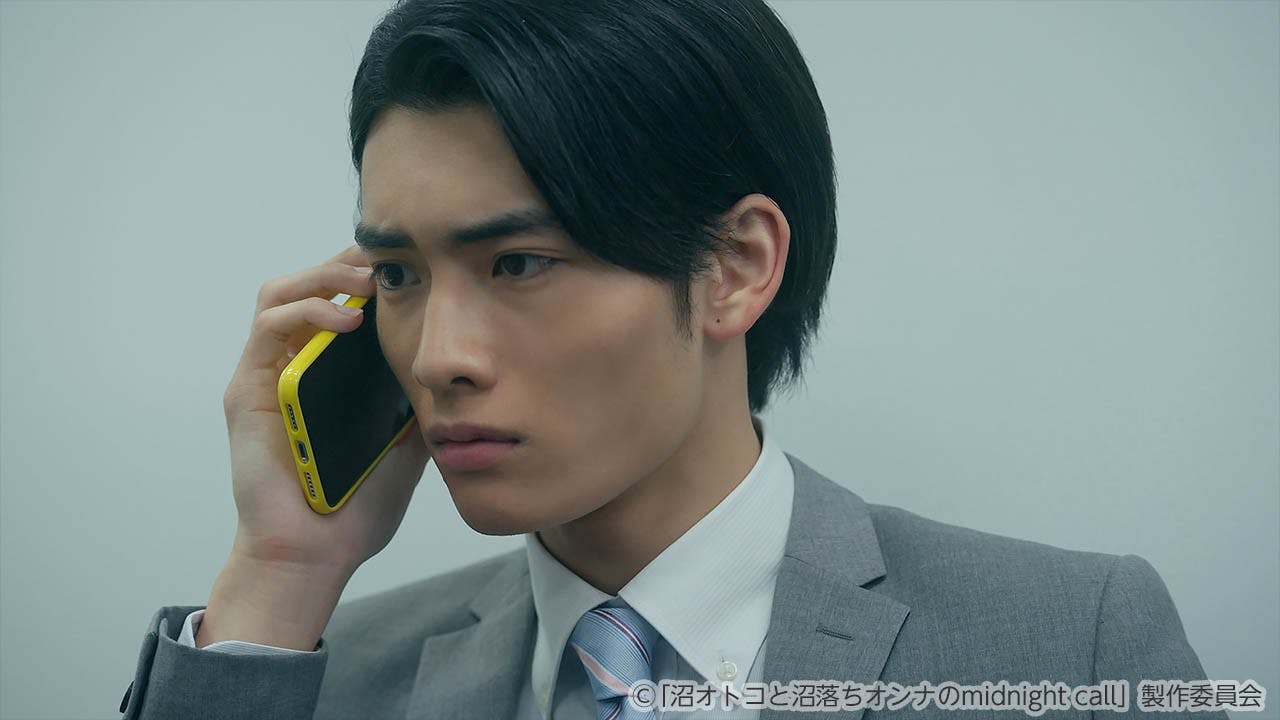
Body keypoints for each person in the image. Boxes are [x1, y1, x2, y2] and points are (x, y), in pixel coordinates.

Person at [118, 1, 1221, 718]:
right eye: (399, 275)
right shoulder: (322, 670)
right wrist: (278, 579)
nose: (439, 357)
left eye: (518, 264)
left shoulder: (1069, 643)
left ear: (735, 267)